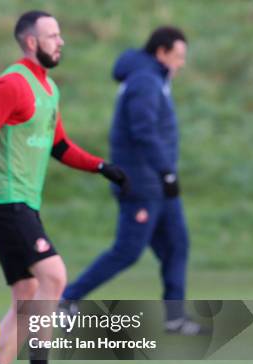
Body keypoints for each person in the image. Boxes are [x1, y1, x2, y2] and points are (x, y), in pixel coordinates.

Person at [0, 11, 128, 364]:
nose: (61, 41)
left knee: (28, 296)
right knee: (55, 277)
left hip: (21, 204)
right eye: (53, 35)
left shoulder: (48, 89)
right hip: (4, 201)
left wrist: (102, 167)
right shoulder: (11, 84)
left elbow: (60, 146)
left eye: (60, 34)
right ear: (31, 42)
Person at [61, 27, 205, 335]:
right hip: (142, 184)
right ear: (161, 53)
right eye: (178, 57)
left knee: (178, 245)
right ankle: (67, 299)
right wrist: (166, 171)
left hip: (159, 185)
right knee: (127, 250)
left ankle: (175, 317)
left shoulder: (153, 78)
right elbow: (143, 131)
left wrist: (165, 175)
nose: (180, 64)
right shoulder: (145, 81)